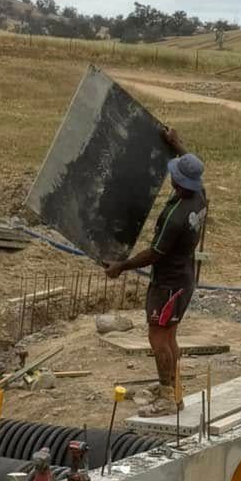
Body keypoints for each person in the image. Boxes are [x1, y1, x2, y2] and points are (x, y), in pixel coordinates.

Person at [103, 126, 207, 408]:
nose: (172, 175)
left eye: (176, 174)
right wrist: (177, 143)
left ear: (179, 184)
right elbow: (192, 166)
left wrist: (121, 266)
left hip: (168, 284)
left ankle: (167, 397)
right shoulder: (199, 197)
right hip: (183, 278)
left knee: (158, 336)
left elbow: (154, 254)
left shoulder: (176, 217)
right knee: (169, 335)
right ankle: (172, 388)